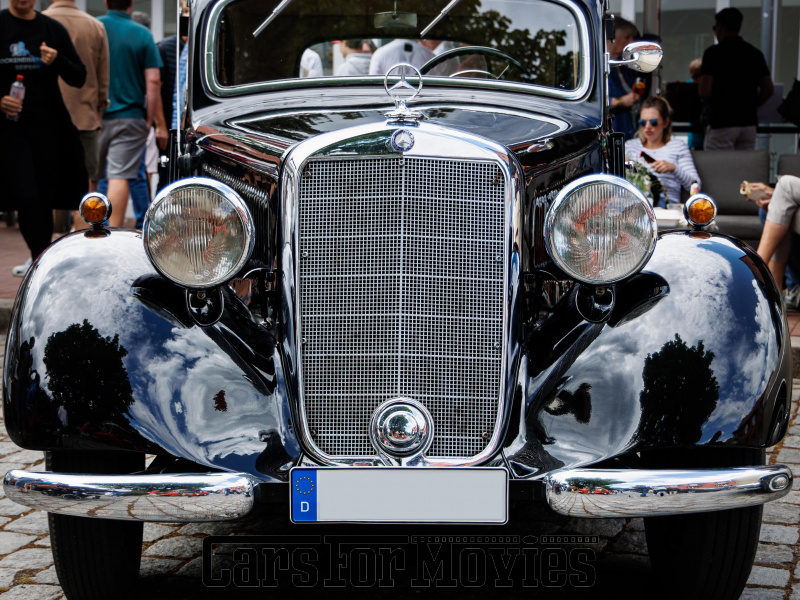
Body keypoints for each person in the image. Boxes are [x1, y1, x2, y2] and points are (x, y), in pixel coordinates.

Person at [0, 0, 87, 276]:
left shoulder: (51, 29)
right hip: (10, 132)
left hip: (49, 130)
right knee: (26, 195)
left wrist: (57, 60)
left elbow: (79, 76)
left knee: (44, 198)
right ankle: (39, 258)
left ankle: (40, 260)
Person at [43, 0, 109, 232]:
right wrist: (99, 109)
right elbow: (103, 77)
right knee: (87, 185)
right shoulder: (95, 26)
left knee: (47, 183)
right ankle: (84, 239)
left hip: (46, 118)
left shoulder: (40, 23)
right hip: (85, 116)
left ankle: (50, 240)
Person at [97, 0, 162, 228]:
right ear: (131, 4)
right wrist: (149, 120)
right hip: (130, 116)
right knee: (119, 176)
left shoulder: (95, 27)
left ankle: (87, 233)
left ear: (106, 2)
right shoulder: (142, 33)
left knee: (93, 178)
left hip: (94, 116)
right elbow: (153, 80)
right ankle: (111, 234)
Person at [699, 7, 774, 150]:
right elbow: (769, 88)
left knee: (715, 163)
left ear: (720, 27)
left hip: (721, 121)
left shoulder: (713, 53)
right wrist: (753, 104)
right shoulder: (754, 54)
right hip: (748, 123)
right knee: (744, 163)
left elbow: (704, 91)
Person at [624, 96, 700, 207]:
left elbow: (695, 185)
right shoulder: (630, 146)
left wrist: (673, 168)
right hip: (633, 205)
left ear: (665, 122)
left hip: (666, 206)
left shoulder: (677, 146)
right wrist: (628, 166)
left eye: (653, 122)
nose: (648, 127)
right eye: (643, 122)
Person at [607, 17, 642, 141]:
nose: (632, 42)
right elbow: (593, 102)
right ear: (613, 38)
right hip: (613, 128)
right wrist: (621, 101)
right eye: (627, 37)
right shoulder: (599, 66)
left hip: (629, 126)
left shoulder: (626, 65)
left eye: (633, 38)